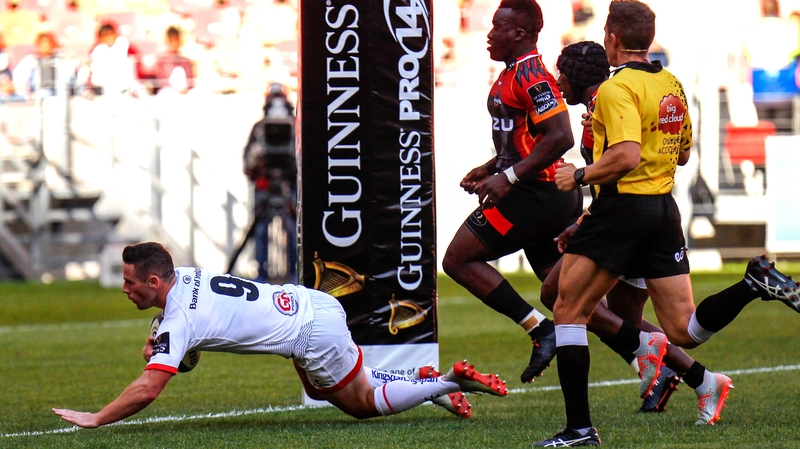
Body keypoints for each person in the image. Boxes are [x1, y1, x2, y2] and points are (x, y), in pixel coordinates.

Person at [533, 2, 800, 446]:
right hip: (661, 209)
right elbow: (682, 154)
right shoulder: (669, 82)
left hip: (623, 210)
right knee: (683, 330)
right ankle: (751, 284)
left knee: (566, 310)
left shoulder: (618, 88)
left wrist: (577, 175)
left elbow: (626, 157)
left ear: (612, 39)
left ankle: (580, 429)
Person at [52, 242, 509, 428]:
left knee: (360, 404)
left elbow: (150, 388)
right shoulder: (187, 277)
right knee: (318, 384)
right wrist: (170, 344)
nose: (125, 290)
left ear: (155, 282)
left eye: (130, 282)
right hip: (311, 302)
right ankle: (424, 381)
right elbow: (192, 331)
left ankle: (446, 380)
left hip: (309, 331)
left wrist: (97, 417)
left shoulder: (178, 320)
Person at [538, 40, 725, 419]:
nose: (558, 84)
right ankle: (700, 378)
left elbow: (625, 162)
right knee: (630, 316)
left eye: (562, 75)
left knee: (563, 298)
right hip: (642, 212)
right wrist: (583, 221)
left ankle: (643, 355)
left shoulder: (612, 99)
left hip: (629, 217)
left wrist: (577, 178)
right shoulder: (625, 97)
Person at [441, 0, 582, 385]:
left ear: (519, 33)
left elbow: (560, 137)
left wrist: (509, 177)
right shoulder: (513, 73)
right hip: (536, 191)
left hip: (537, 195)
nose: (489, 34)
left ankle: (540, 330)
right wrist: (492, 167)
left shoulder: (533, 76)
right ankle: (654, 356)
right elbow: (526, 139)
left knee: (458, 260)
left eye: (496, 27)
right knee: (566, 295)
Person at [243, 83, 298, 283]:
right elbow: (248, 161)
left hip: (289, 186)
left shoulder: (295, 126)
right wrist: (258, 162)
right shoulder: (259, 128)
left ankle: (295, 273)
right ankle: (261, 275)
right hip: (265, 186)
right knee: (260, 231)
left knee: (294, 229)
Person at [88, 22, 141, 96]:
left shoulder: (126, 46)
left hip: (125, 90)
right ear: (101, 37)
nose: (109, 37)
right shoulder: (97, 50)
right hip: (103, 91)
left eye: (110, 33)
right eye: (105, 35)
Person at [11, 31, 62, 99]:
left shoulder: (59, 61)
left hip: (59, 97)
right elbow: (18, 78)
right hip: (36, 97)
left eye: (47, 43)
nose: (44, 46)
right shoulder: (30, 60)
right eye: (42, 43)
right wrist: (25, 94)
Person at [153, 26, 195, 95]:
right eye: (172, 40)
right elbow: (161, 82)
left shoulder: (186, 61)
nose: (175, 43)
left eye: (176, 40)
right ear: (168, 41)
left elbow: (191, 82)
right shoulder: (161, 61)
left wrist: (185, 90)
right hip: (169, 92)